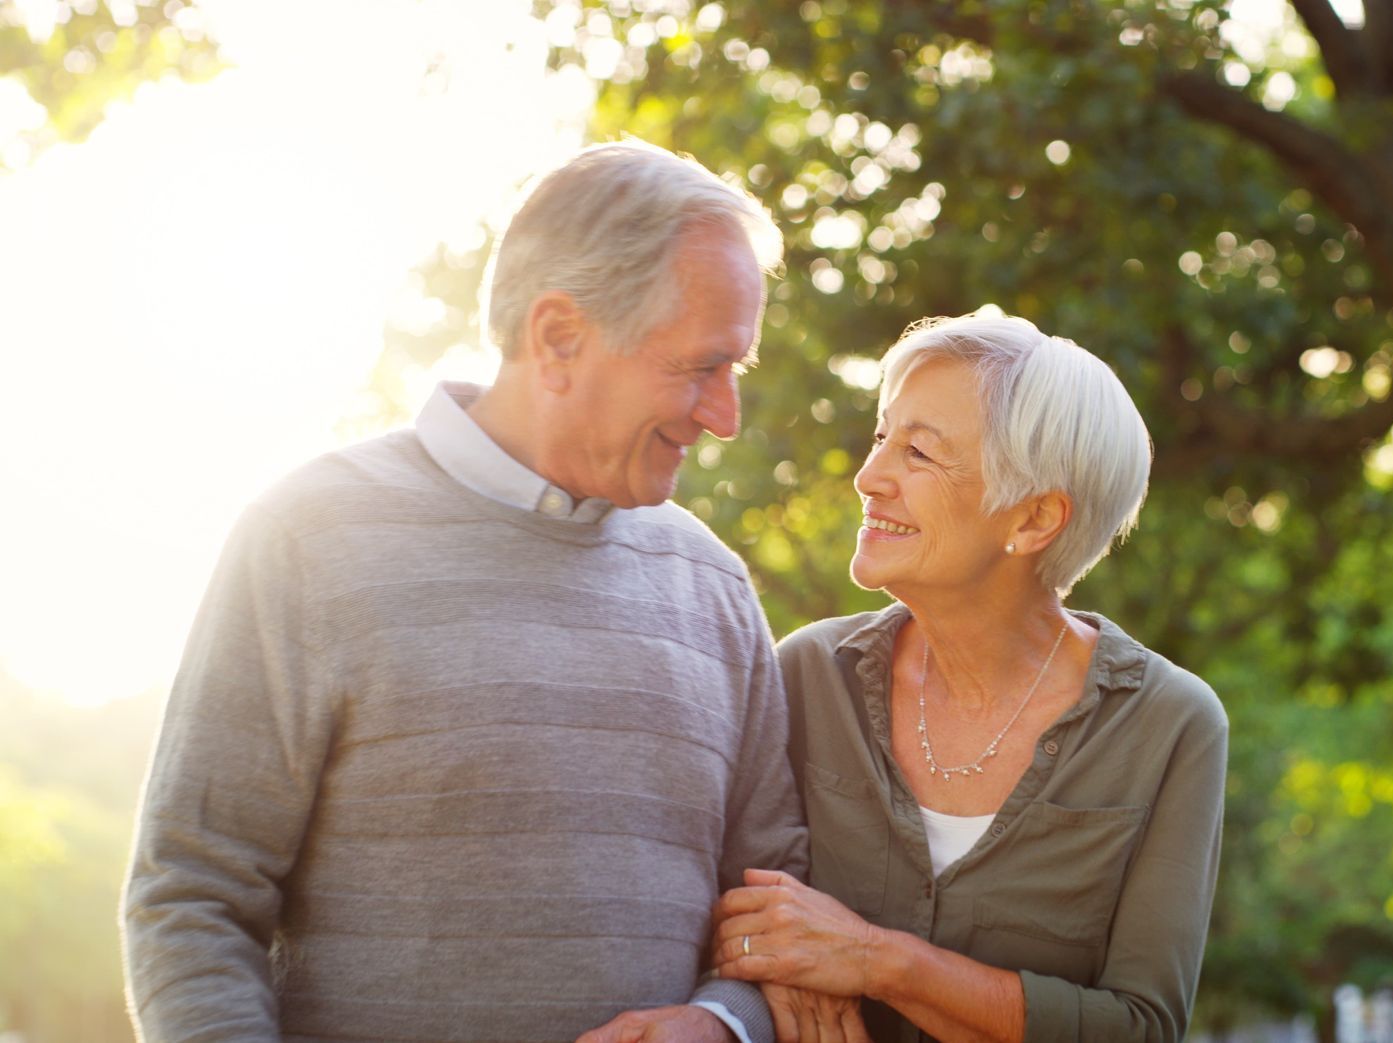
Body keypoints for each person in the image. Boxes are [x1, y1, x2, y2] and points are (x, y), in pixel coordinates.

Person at [122, 142, 808, 1043]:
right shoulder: (308, 538)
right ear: (559, 337)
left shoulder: (712, 585)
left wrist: (724, 1025)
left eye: (736, 371)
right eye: (698, 367)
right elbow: (193, 896)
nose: (724, 416)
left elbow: (779, 917)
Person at [710, 314, 1229, 1041]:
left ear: (1035, 518)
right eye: (881, 437)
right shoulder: (806, 673)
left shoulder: (1171, 723)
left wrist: (875, 960)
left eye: (918, 452)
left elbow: (1140, 1028)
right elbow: (727, 912)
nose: (869, 477)